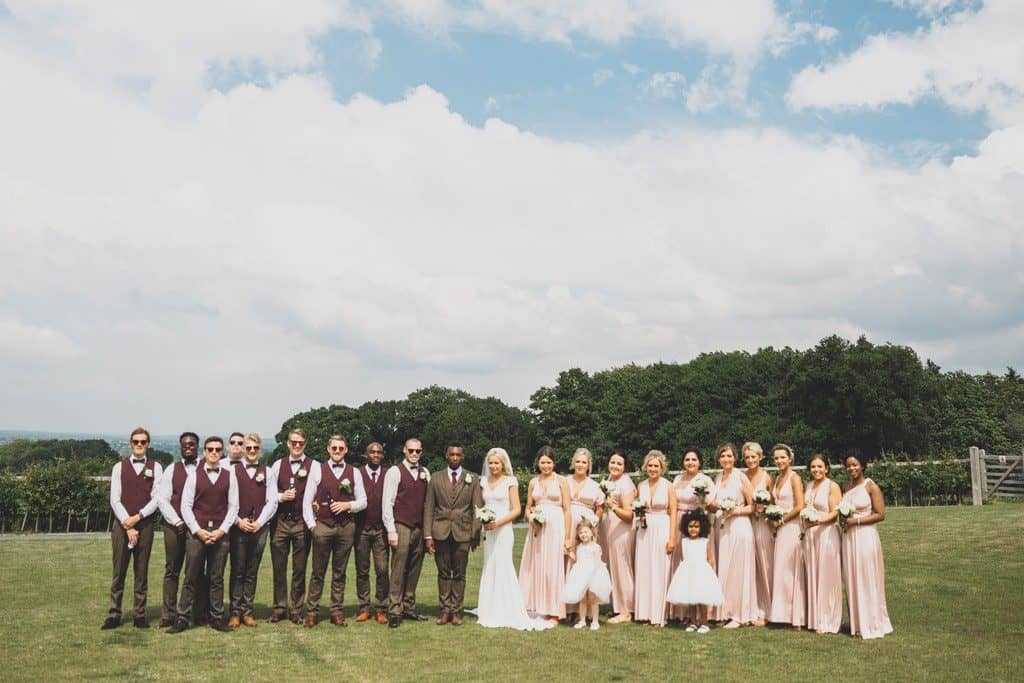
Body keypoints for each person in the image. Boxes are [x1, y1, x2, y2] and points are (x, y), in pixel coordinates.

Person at [167, 436, 239, 633]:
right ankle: (182, 618)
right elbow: (185, 506)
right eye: (210, 449)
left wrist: (221, 530)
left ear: (221, 451)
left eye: (217, 449)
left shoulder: (229, 475)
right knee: (191, 577)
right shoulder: (194, 475)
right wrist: (198, 531)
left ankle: (216, 618)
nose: (214, 452)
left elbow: (234, 507)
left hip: (220, 534)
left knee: (217, 578)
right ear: (204, 452)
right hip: (196, 534)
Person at [476, 448, 553, 630]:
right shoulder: (483, 482)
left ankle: (506, 607)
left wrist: (498, 523)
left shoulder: (510, 481)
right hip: (488, 530)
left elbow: (517, 509)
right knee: (490, 565)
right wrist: (485, 521)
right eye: (491, 463)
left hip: (503, 530)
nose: (494, 466)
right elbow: (481, 505)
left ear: (503, 464)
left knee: (503, 565)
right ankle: (489, 607)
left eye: (497, 463)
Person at [302, 435, 367, 628]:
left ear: (346, 450)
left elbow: (363, 501)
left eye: (341, 448)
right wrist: (312, 525)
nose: (337, 451)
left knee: (340, 572)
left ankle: (336, 610)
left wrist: (348, 504)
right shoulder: (317, 470)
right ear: (328, 449)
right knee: (317, 572)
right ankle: (312, 611)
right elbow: (307, 501)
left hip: (346, 527)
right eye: (334, 448)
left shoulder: (354, 472)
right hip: (322, 525)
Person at [101, 427, 162, 630]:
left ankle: (139, 614)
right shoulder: (119, 467)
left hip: (145, 525)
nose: (139, 445)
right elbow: (115, 499)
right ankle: (114, 614)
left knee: (141, 572)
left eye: (143, 442)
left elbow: (157, 498)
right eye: (135, 441)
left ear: (148, 444)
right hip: (121, 526)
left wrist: (137, 518)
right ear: (130, 443)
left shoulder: (156, 467)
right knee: (118, 571)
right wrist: (127, 524)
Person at [424, 443, 483, 625]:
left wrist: (474, 534)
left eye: (458, 455)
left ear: (462, 456)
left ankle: (456, 611)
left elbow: (478, 508)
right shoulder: (435, 478)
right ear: (446, 455)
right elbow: (429, 508)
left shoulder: (472, 479)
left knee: (459, 574)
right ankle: (444, 610)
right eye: (452, 454)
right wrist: (428, 536)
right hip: (440, 531)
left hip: (463, 533)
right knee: (443, 573)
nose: (455, 458)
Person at [840, 449, 893, 639]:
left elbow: (880, 514)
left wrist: (856, 521)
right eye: (848, 465)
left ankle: (871, 621)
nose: (851, 468)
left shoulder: (871, 486)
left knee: (867, 577)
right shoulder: (844, 488)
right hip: (848, 538)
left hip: (865, 536)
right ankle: (857, 623)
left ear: (862, 465)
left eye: (855, 464)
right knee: (852, 577)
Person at [227, 433, 276, 629]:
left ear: (260, 450)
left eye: (255, 448)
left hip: (259, 528)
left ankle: (247, 611)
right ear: (243, 450)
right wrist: (238, 522)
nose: (252, 451)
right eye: (249, 448)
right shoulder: (232, 471)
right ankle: (234, 612)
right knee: (237, 571)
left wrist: (260, 522)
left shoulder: (268, 471)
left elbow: (272, 501)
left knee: (252, 571)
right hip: (238, 527)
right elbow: (227, 501)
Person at [519, 445, 572, 626]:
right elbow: (528, 507)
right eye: (543, 462)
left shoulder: (562, 481)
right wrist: (531, 517)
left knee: (553, 569)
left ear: (554, 463)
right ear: (538, 463)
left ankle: (555, 612)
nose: (546, 466)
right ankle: (537, 606)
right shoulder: (533, 482)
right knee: (536, 566)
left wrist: (567, 537)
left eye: (549, 462)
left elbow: (567, 509)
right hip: (537, 530)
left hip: (556, 528)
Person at [707, 442, 757, 628]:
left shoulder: (741, 477)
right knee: (724, 570)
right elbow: (713, 502)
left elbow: (753, 506)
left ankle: (739, 615)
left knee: (738, 571)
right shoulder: (717, 478)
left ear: (735, 458)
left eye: (729, 456)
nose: (726, 459)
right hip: (722, 529)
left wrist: (734, 511)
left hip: (739, 527)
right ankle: (724, 611)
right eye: (723, 456)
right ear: (718, 459)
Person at [382, 438, 430, 628]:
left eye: (418, 451)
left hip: (419, 527)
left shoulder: (426, 472)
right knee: (399, 568)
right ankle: (394, 609)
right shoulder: (395, 472)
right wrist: (391, 530)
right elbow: (388, 503)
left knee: (414, 569)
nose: (414, 454)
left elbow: (428, 503)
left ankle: (408, 606)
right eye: (411, 450)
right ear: (404, 450)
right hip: (401, 525)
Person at [268, 428, 313, 624]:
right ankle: (279, 608)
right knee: (279, 567)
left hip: (302, 522)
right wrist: (281, 496)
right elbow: (269, 494)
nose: (296, 446)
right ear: (287, 443)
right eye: (293, 442)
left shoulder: (314, 466)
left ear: (305, 445)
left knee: (299, 569)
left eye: (300, 443)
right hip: (280, 523)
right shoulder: (278, 465)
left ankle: (295, 609)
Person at [155, 431, 200, 627]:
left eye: (192, 444)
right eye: (185, 445)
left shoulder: (206, 468)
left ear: (197, 446)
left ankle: (195, 613)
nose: (188, 447)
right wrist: (177, 521)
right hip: (175, 527)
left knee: (196, 571)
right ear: (181, 447)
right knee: (172, 570)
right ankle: (168, 615)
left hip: (197, 528)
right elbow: (162, 500)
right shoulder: (172, 469)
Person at [669, 447, 715, 624]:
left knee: (697, 567)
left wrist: (703, 501)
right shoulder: (677, 479)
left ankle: (701, 617)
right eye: (687, 459)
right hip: (678, 520)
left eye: (694, 460)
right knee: (680, 565)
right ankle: (681, 613)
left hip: (696, 522)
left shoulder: (705, 480)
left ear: (700, 462)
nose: (690, 463)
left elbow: (710, 503)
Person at [632, 449, 677, 627]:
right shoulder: (641, 486)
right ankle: (644, 613)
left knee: (660, 569)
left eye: (656, 466)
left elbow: (673, 512)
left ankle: (659, 615)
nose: (652, 469)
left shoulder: (668, 486)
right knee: (644, 569)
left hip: (662, 527)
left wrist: (672, 538)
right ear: (645, 467)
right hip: (644, 530)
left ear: (662, 467)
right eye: (650, 465)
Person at [767, 443, 806, 629]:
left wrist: (781, 520)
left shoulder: (794, 478)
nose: (779, 461)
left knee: (790, 571)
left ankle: (795, 617)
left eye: (783, 457)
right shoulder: (777, 479)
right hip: (779, 529)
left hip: (791, 528)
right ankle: (781, 614)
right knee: (781, 571)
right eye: (776, 458)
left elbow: (800, 506)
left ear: (790, 458)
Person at [803, 452, 842, 634]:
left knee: (827, 576)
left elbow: (835, 512)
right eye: (813, 467)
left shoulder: (832, 486)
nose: (816, 470)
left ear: (827, 468)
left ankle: (828, 619)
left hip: (826, 533)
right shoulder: (808, 486)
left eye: (820, 466)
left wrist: (818, 522)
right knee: (813, 574)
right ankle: (815, 618)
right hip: (810, 535)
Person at [666, 510, 724, 634]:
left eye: (696, 526)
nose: (693, 529)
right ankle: (692, 622)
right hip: (688, 574)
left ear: (701, 527)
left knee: (702, 600)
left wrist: (708, 573)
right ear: (686, 527)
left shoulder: (704, 541)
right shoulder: (684, 542)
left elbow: (710, 559)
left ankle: (704, 623)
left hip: (701, 574)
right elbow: (682, 558)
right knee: (691, 600)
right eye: (691, 526)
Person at [564, 447, 605, 619]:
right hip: (567, 524)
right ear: (573, 463)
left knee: (584, 564)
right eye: (578, 461)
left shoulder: (595, 486)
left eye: (584, 462)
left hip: (586, 529)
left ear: (589, 465)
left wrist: (594, 521)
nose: (580, 465)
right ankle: (567, 608)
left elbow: (600, 507)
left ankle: (585, 610)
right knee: (568, 562)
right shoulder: (565, 481)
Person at [597, 449, 636, 624]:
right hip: (608, 529)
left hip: (621, 530)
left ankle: (626, 610)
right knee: (612, 568)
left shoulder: (626, 484)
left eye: (619, 463)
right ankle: (616, 606)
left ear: (625, 467)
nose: (615, 466)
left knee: (622, 569)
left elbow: (629, 515)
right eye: (613, 462)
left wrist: (612, 507)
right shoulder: (607, 481)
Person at [354, 442, 390, 624]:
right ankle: (364, 607)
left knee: (382, 570)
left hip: (381, 530)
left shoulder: (388, 474)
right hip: (361, 530)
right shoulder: (357, 474)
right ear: (365, 455)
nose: (375, 455)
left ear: (382, 455)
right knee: (362, 571)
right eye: (372, 452)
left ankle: (382, 608)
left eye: (379, 452)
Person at [742, 441, 773, 626]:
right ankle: (750, 608)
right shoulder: (741, 476)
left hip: (762, 525)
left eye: (753, 456)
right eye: (747, 457)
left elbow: (774, 501)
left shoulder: (767, 477)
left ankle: (767, 610)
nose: (750, 460)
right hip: (745, 524)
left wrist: (765, 507)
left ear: (760, 457)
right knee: (748, 568)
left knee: (764, 566)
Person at [563, 519, 612, 630]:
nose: (583, 534)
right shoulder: (579, 547)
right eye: (580, 533)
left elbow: (597, 562)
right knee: (583, 599)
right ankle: (582, 620)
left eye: (585, 532)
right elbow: (578, 561)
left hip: (593, 575)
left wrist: (592, 575)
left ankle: (595, 621)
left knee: (593, 598)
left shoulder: (595, 547)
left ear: (591, 532)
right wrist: (570, 553)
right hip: (580, 575)